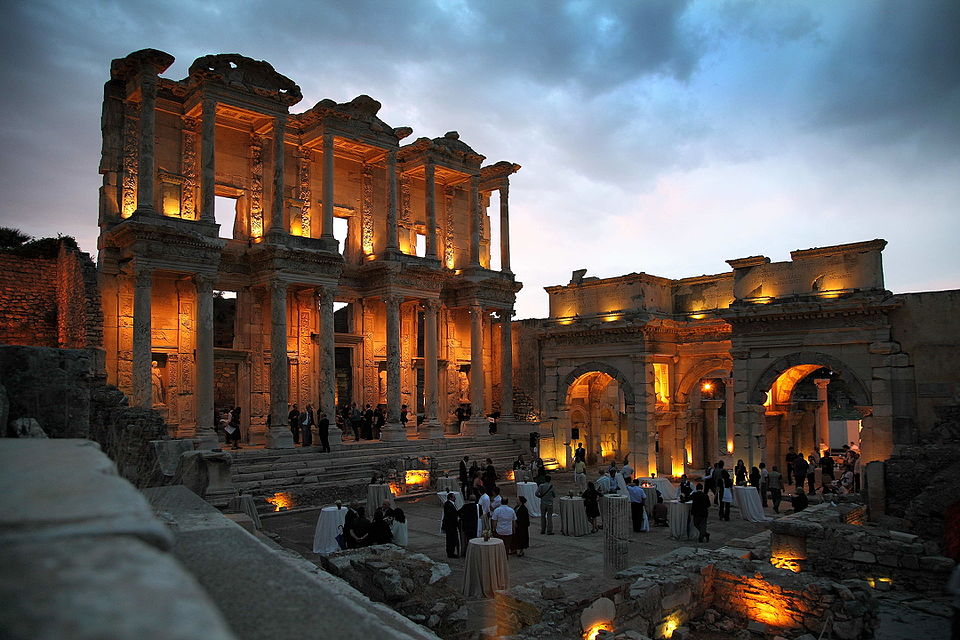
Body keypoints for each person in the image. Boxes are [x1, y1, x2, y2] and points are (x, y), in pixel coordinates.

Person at [441, 493, 460, 558]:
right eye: (454, 497)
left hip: (451, 525)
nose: (455, 498)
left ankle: (451, 552)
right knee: (451, 540)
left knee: (451, 539)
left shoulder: (449, 504)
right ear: (450, 498)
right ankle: (450, 553)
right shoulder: (449, 505)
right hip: (450, 526)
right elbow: (451, 516)